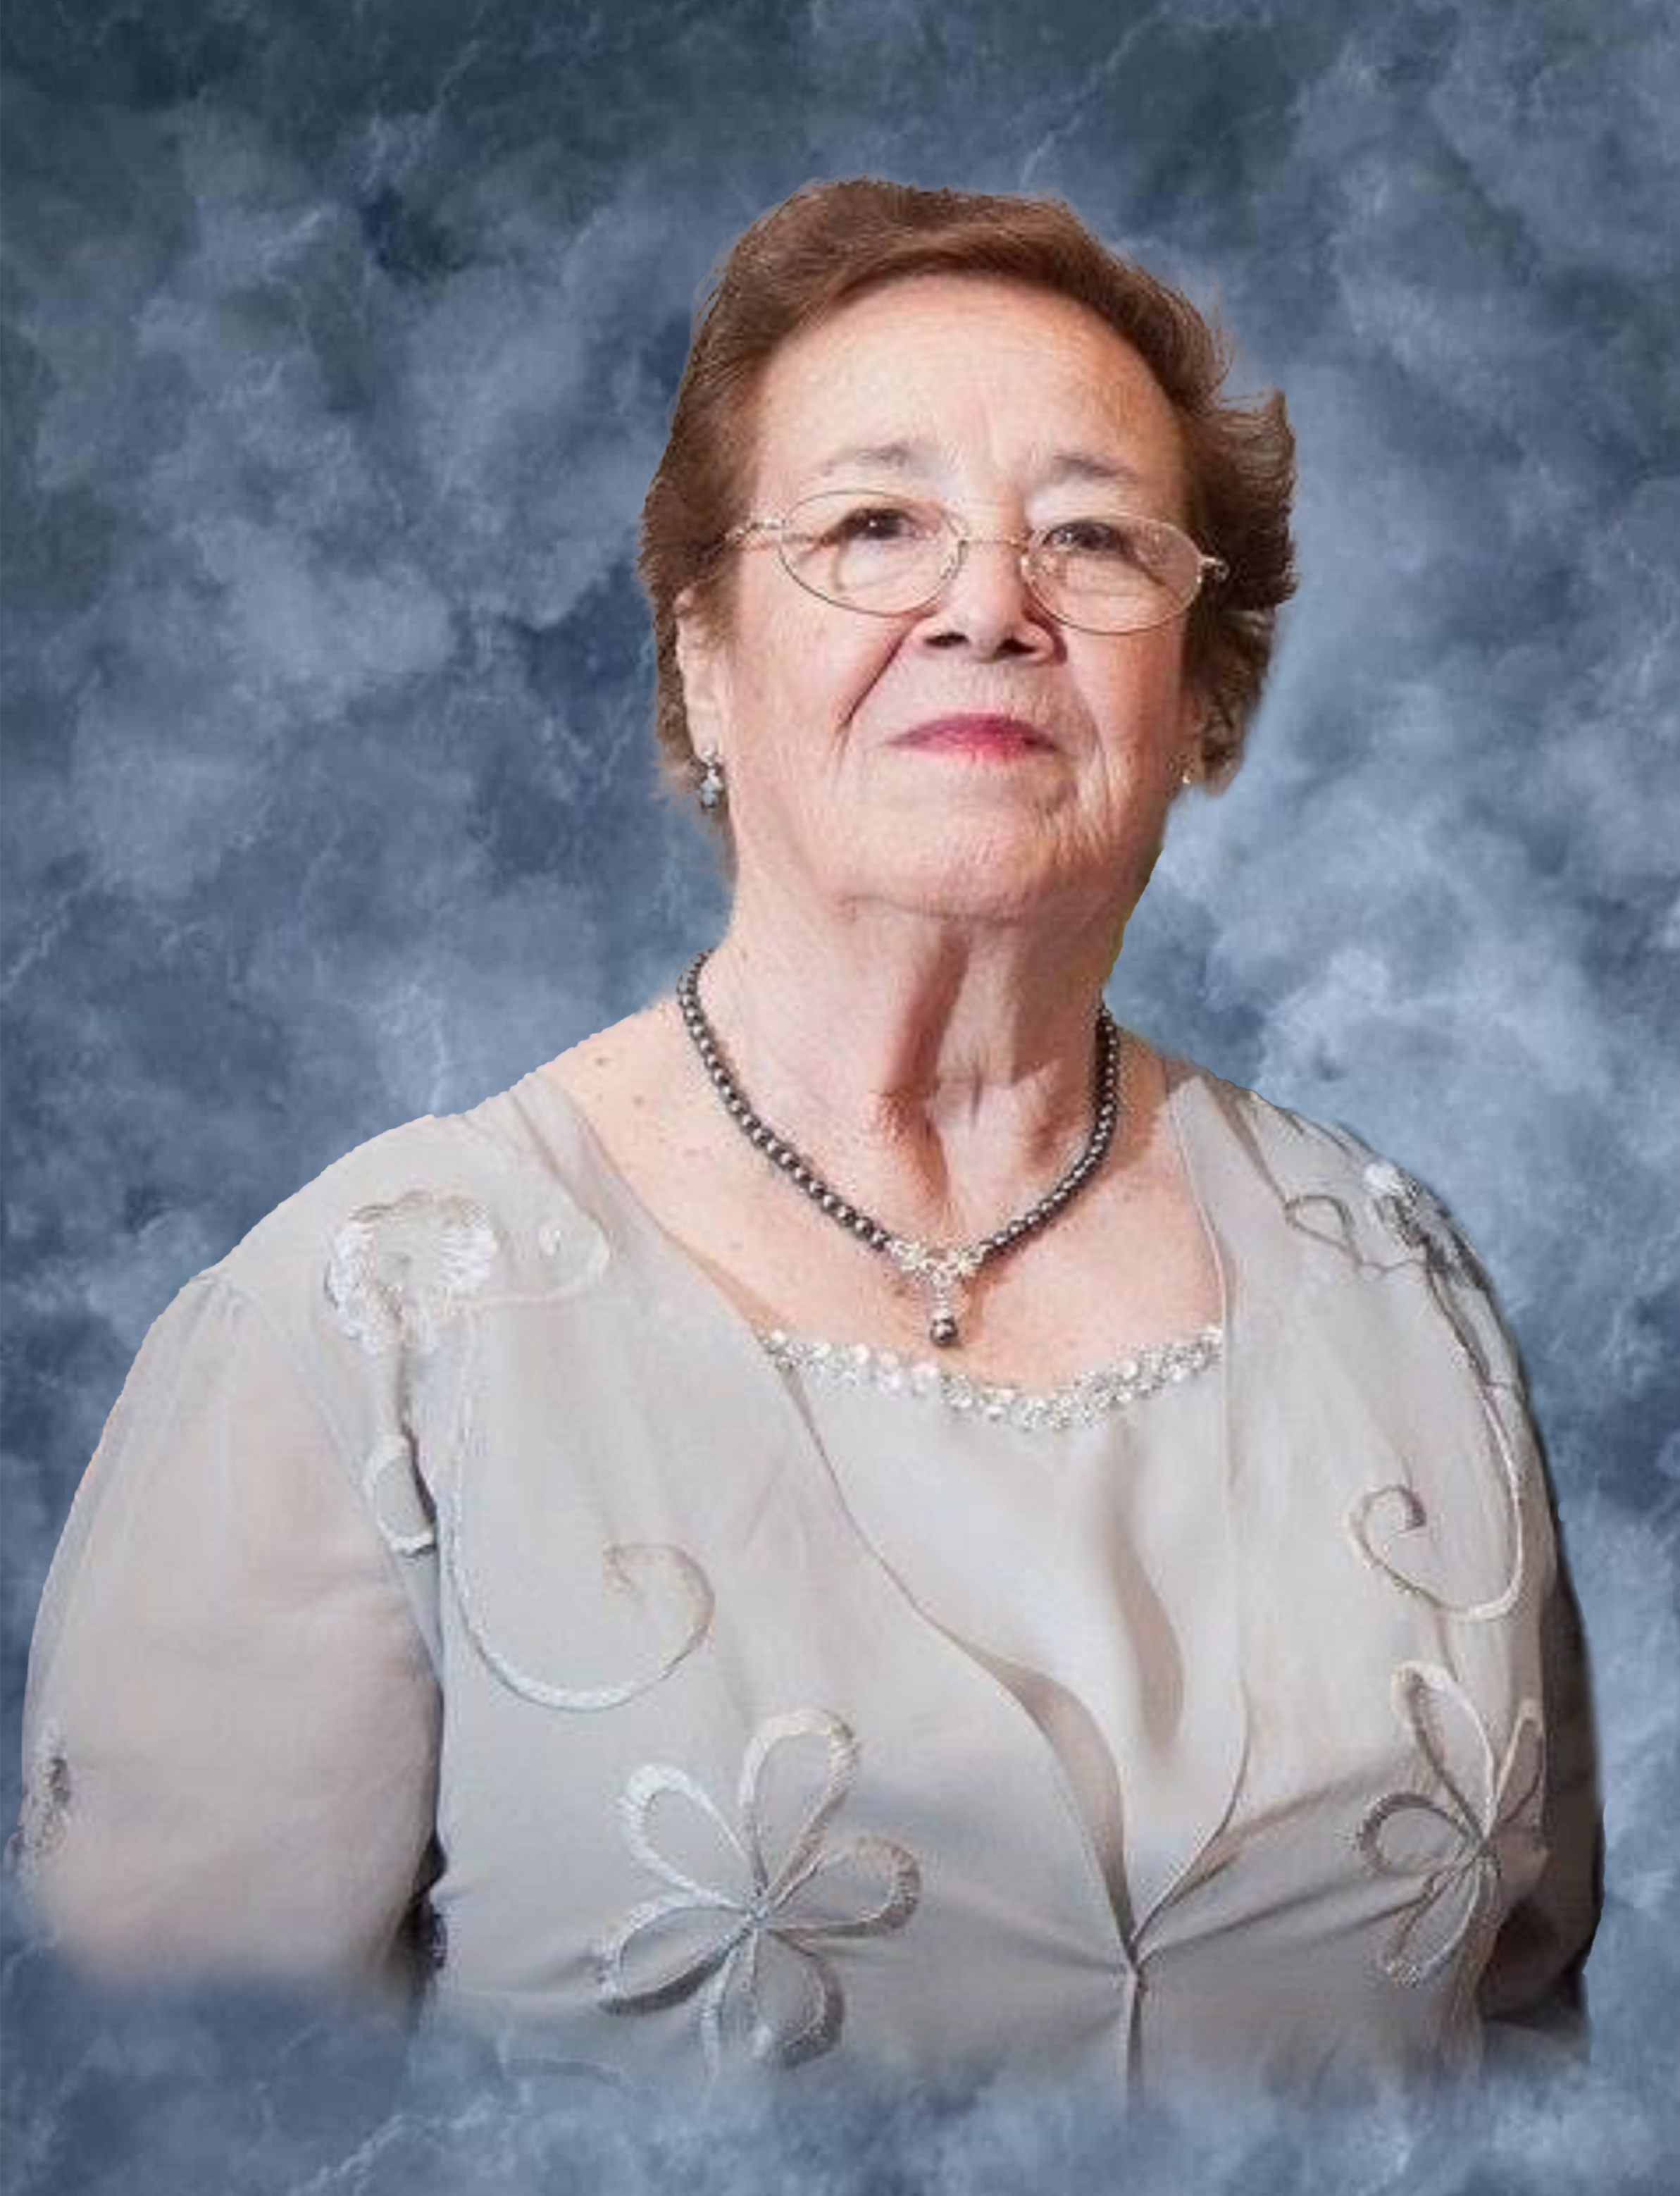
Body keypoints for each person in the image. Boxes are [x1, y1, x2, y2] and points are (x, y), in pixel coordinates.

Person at [10, 178, 1600, 2109]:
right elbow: (168, 2127)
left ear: (1198, 694)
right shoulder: (360, 1339)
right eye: (872, 528)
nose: (989, 607)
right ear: (703, 656)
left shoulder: (1397, 1288)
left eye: (1093, 539)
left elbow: (1528, 2076)